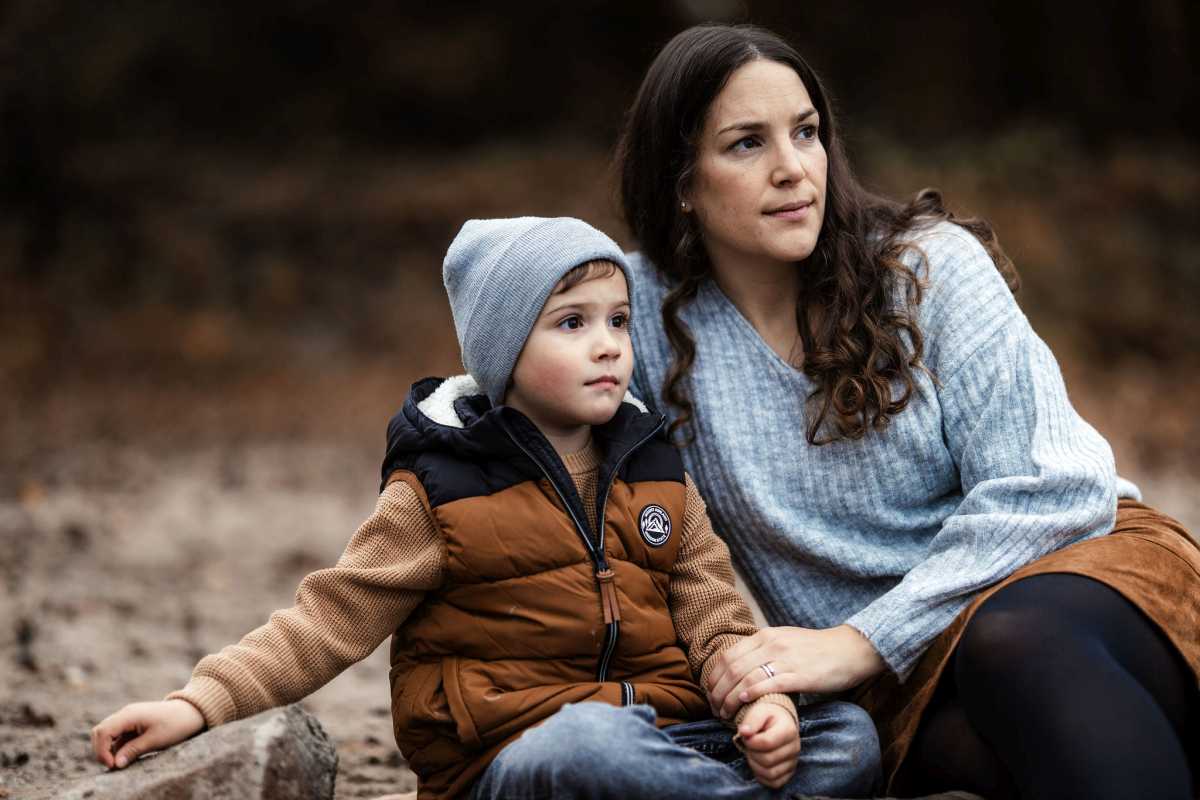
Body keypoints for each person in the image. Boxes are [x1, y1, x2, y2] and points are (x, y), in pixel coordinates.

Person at [89, 216, 882, 799]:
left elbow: (715, 614)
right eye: (571, 324)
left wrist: (765, 705)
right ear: (504, 354)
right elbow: (329, 618)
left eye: (617, 321)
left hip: (667, 739)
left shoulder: (655, 463)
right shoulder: (440, 486)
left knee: (846, 738)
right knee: (583, 748)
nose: (608, 344)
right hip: (511, 758)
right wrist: (197, 704)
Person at [615, 23, 1200, 800]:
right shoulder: (642, 320)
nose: (794, 169)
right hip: (904, 681)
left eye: (807, 133)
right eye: (747, 144)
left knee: (1012, 643)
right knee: (982, 757)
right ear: (681, 181)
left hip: (1077, 588)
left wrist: (859, 640)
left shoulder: (922, 267)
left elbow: (1058, 488)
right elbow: (519, 382)